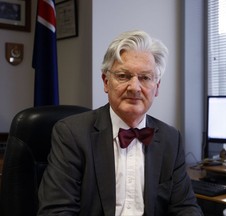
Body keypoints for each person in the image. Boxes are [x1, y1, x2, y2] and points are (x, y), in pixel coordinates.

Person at [37, 30, 203, 216]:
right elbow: (57, 211)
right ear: (106, 82)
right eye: (124, 76)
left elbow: (185, 207)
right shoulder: (71, 134)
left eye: (145, 78)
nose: (134, 87)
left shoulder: (171, 139)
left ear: (156, 87)